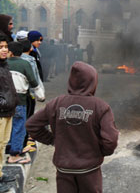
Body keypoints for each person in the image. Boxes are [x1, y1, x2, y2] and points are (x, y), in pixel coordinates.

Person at [26, 61, 119, 193]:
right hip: (89, 170)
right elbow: (111, 140)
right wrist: (99, 152)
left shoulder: (57, 103)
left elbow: (32, 125)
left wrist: (53, 140)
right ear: (93, 82)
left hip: (64, 169)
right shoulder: (100, 107)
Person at [7, 42, 38, 164]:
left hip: (4, 101)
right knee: (19, 126)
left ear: (10, 52)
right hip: (20, 101)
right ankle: (15, 154)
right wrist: (39, 95)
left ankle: (8, 148)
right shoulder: (25, 63)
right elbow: (33, 81)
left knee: (6, 125)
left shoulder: (3, 64)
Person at [19, 39, 45, 153]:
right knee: (28, 116)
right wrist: (40, 93)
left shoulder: (16, 59)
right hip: (29, 93)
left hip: (18, 93)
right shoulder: (30, 60)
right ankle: (25, 141)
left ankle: (19, 141)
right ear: (29, 48)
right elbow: (34, 78)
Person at [0, 35, 17, 193]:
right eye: (0, 47)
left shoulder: (4, 65)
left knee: (3, 144)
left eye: (5, 46)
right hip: (1, 112)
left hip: (7, 112)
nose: (4, 49)